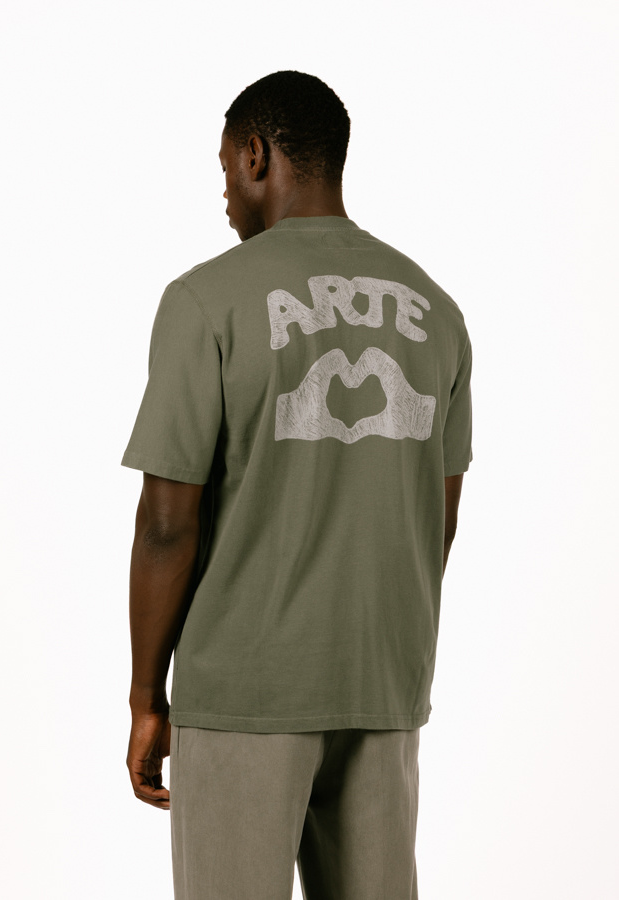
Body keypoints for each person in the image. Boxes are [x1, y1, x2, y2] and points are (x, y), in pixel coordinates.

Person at [122, 70, 473, 900]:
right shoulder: (435, 307)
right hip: (383, 680)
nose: (224, 194)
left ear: (256, 155)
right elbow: (438, 514)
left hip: (245, 688)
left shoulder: (207, 300)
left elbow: (167, 523)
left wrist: (146, 695)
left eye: (224, 169)